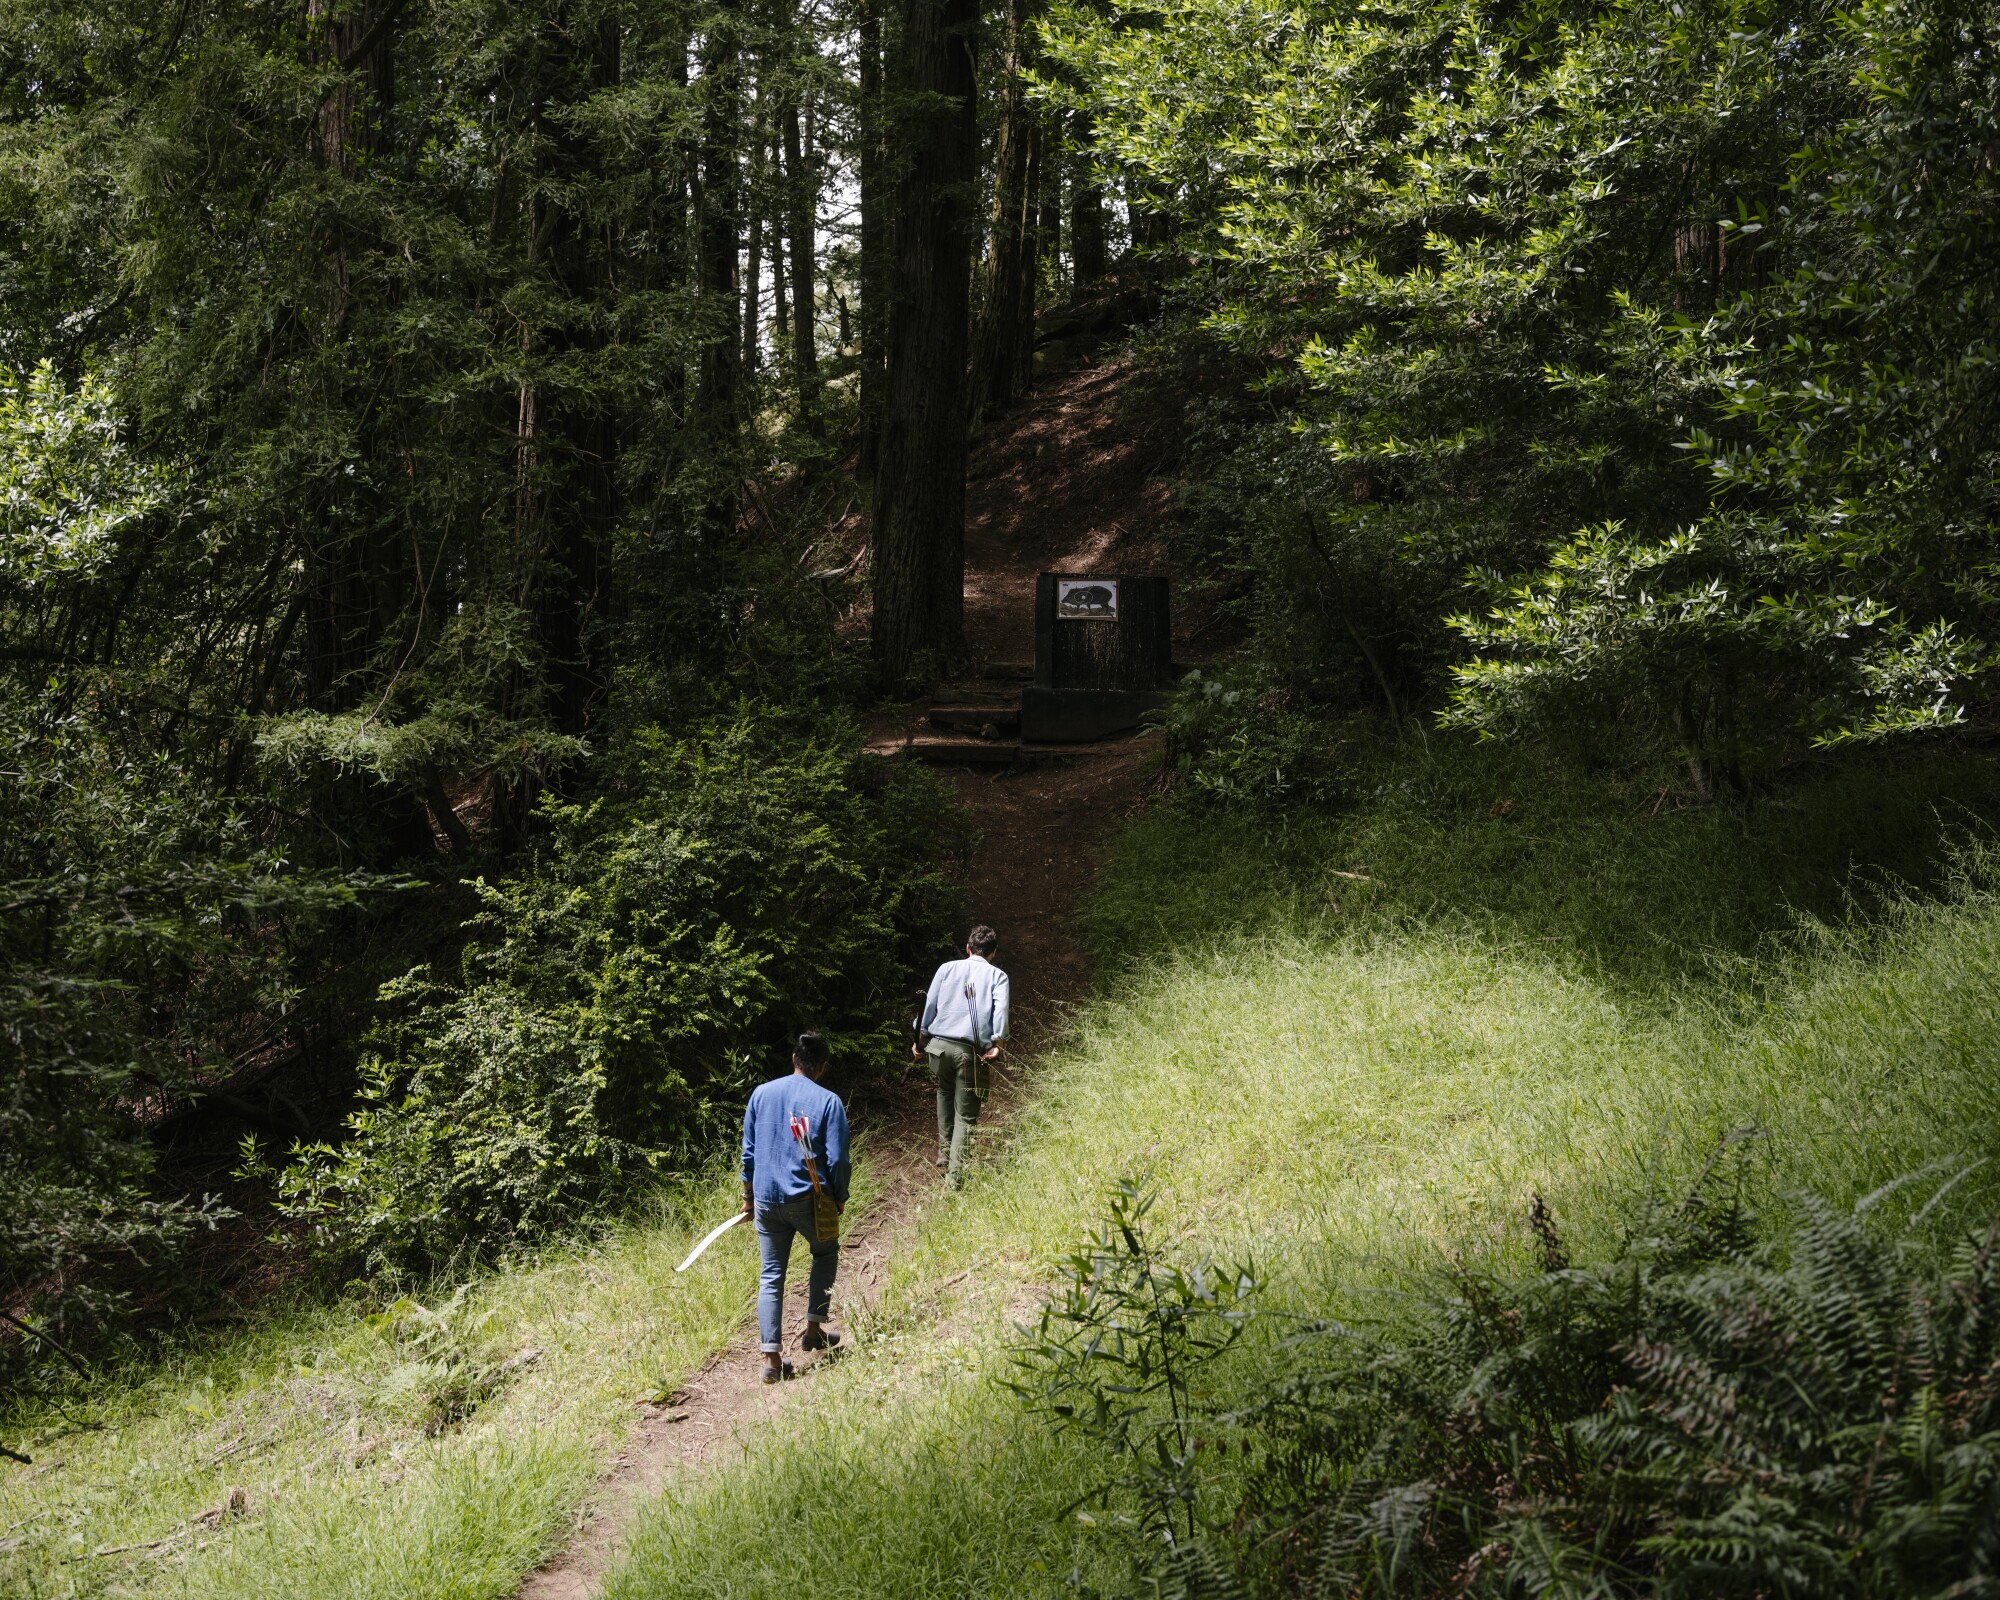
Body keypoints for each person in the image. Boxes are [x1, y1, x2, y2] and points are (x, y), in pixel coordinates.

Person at [740, 1031, 851, 1383]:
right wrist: (839, 1197)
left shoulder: (761, 1094)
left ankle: (771, 1361)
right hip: (808, 1199)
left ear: (794, 1058)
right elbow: (837, 1161)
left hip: (766, 1201)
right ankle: (814, 1331)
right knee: (825, 1252)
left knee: (771, 1274)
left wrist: (748, 1198)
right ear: (821, 1066)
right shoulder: (829, 1101)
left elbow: (748, 1152)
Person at [913, 925, 1010, 1188]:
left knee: (944, 1091)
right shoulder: (997, 976)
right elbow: (999, 1013)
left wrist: (919, 1041)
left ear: (968, 948)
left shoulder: (947, 968)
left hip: (938, 1049)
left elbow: (929, 1006)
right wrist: (998, 1044)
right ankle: (955, 1181)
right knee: (966, 1116)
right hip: (968, 1053)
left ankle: (945, 1151)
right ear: (993, 953)